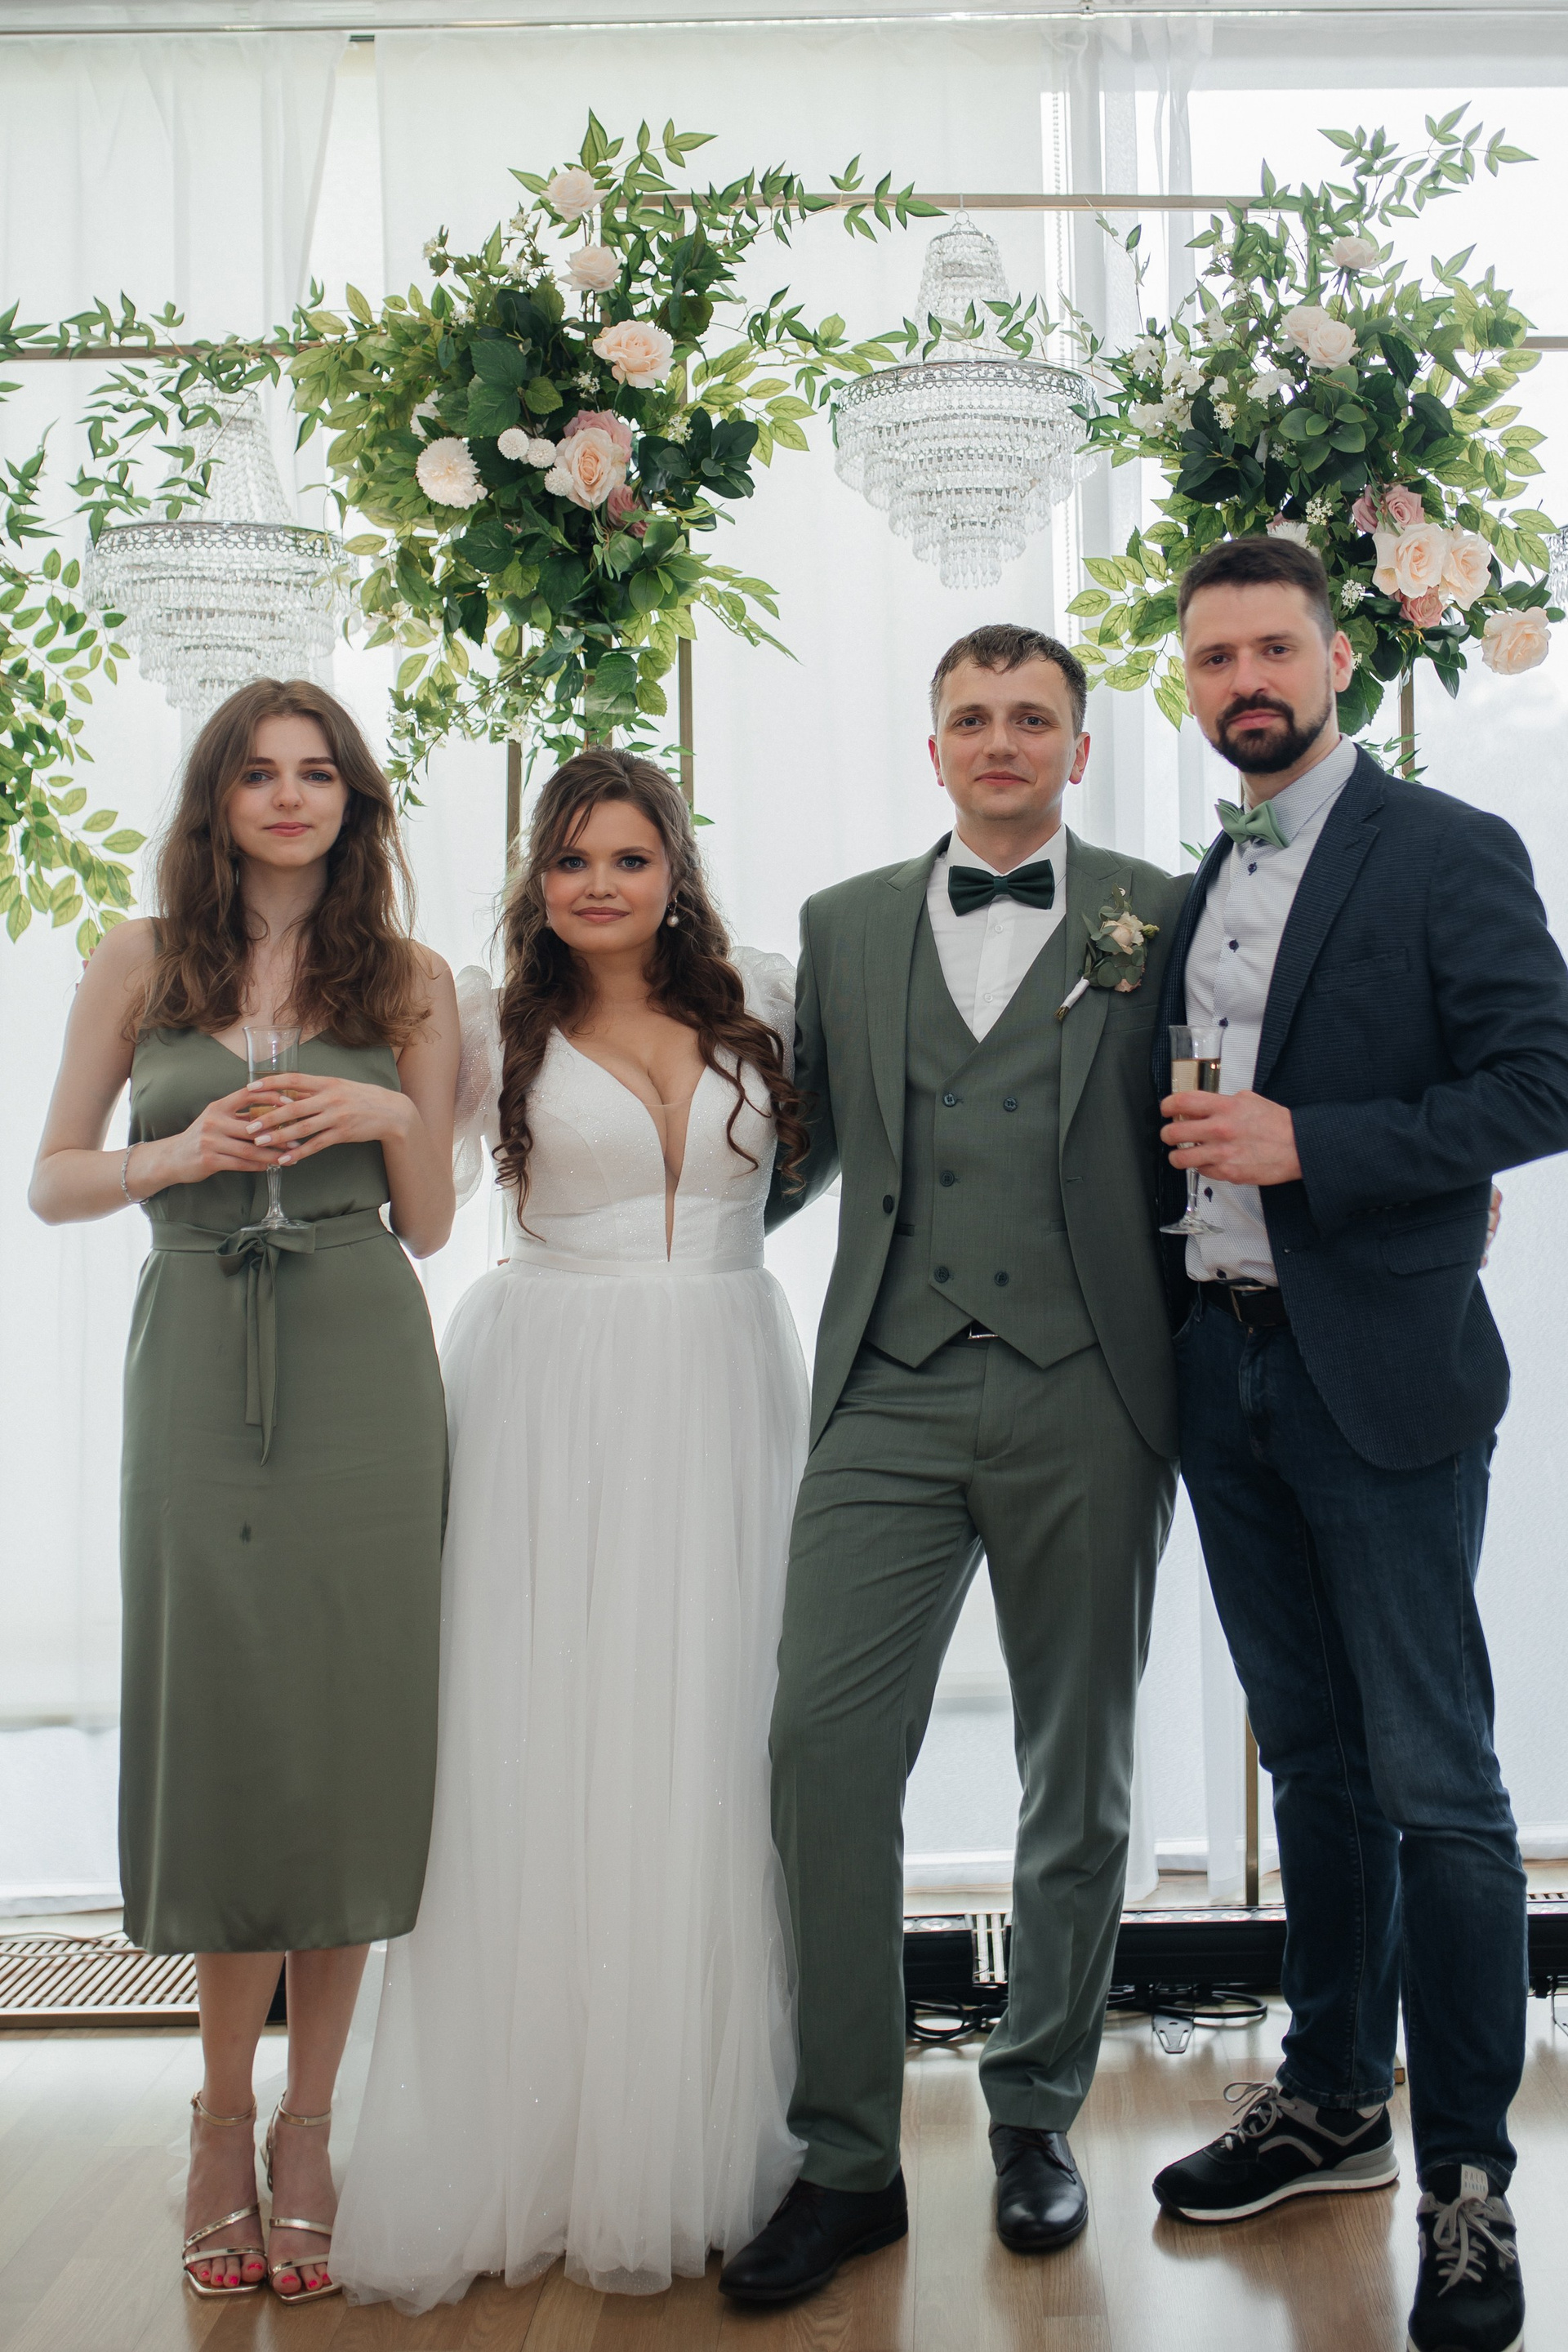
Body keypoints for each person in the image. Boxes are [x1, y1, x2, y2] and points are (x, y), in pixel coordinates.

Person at [719, 626, 1187, 2306]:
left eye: (1031, 718)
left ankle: (1037, 2112)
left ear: (1077, 747)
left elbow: (1220, 1107)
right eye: (971, 719)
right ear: (933, 750)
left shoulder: (1159, 909)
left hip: (1092, 1387)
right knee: (820, 1752)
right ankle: (847, 2156)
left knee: (1082, 1769)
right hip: (889, 1394)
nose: (1000, 741)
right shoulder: (844, 926)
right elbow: (789, 1154)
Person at [1150, 533, 1568, 2352]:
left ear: (1336, 661)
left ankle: (1469, 2179)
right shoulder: (1196, 881)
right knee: (1311, 1763)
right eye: (1213, 656)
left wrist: (1317, 1144)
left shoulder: (1446, 849)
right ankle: (1333, 2100)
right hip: (1221, 1371)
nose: (1245, 679)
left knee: (1439, 1782)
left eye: (1273, 649)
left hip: (1382, 1378)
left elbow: (1544, 1081)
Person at [332, 747, 810, 2307]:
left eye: (628, 858)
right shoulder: (489, 1026)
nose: (598, 886)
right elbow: (419, 1208)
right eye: (570, 861)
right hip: (551, 1393)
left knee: (710, 1732)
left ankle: (694, 2132)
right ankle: (533, 2136)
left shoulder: (769, 1000)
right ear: (537, 881)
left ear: (676, 872)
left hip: (727, 1376)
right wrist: (361, 1099)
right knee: (549, 1735)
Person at [29, 679, 457, 2302]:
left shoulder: (407, 980)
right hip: (198, 1353)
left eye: (318, 772)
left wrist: (389, 1106)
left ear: (355, 801)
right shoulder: (140, 962)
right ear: (216, 799)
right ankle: (217, 2114)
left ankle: (310, 2125)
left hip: (361, 1358)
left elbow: (430, 1223)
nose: (290, 796)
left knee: (344, 1737)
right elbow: (53, 1178)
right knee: (225, 1725)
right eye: (258, 773)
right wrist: (179, 1156)